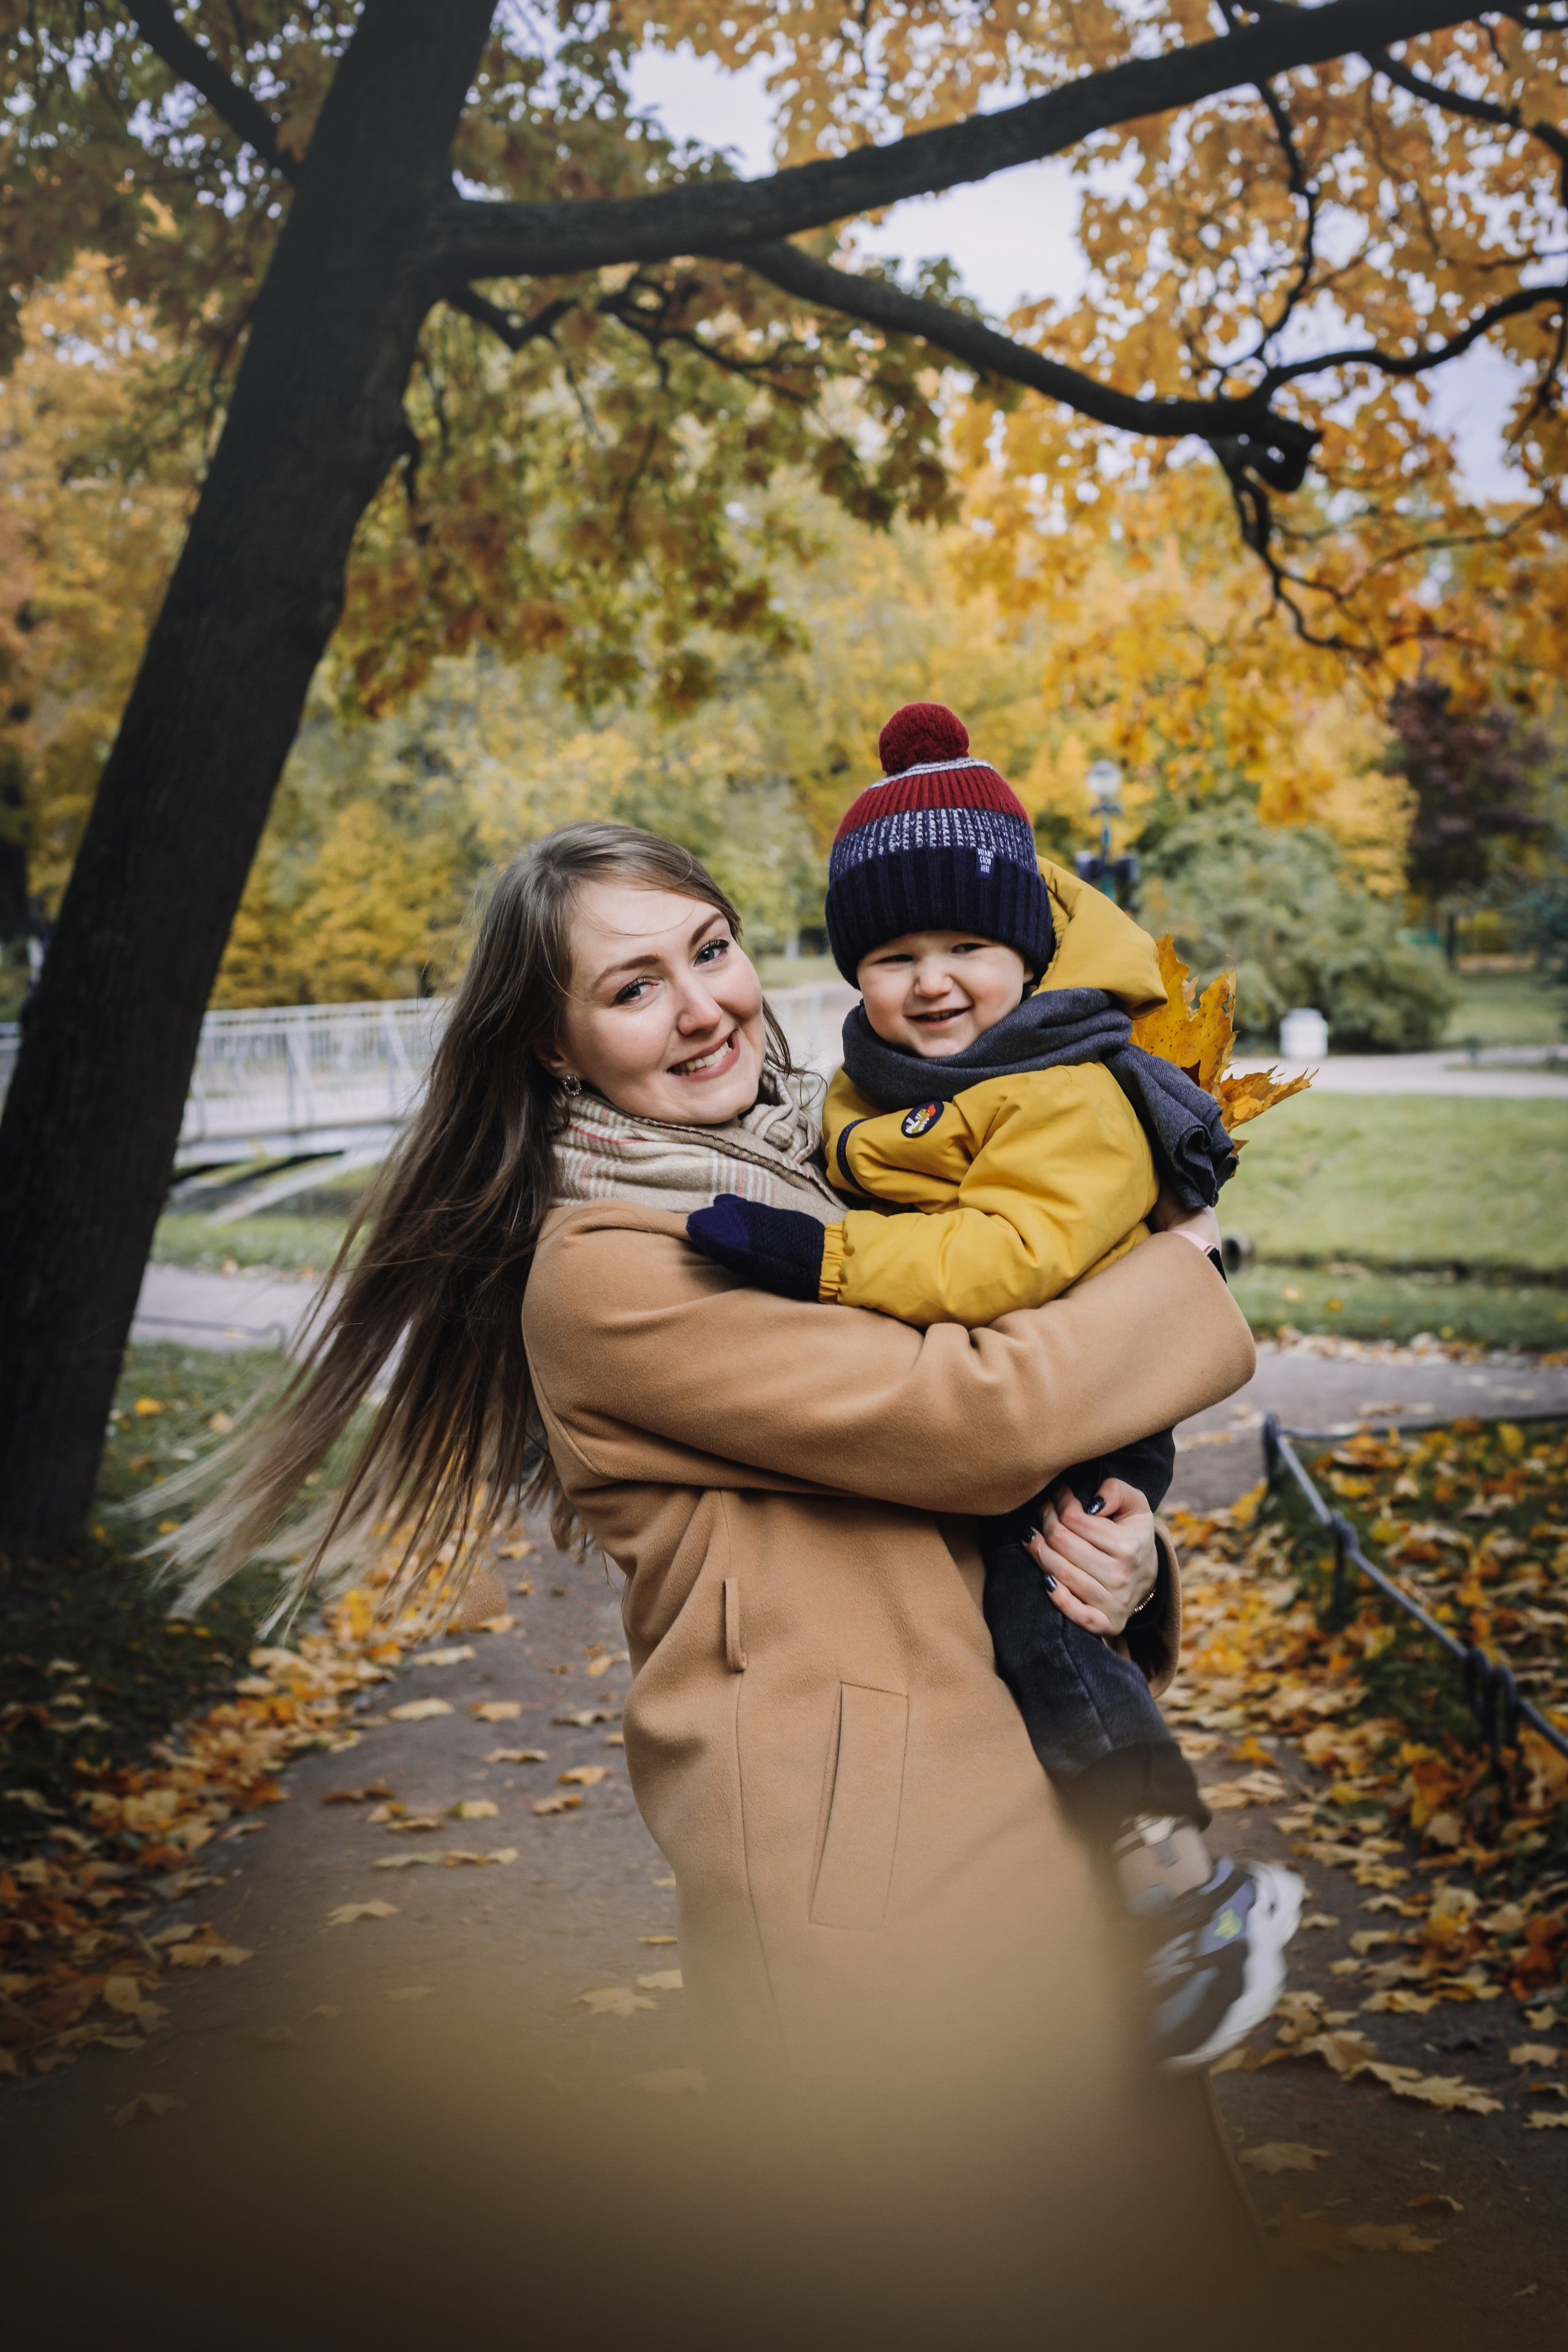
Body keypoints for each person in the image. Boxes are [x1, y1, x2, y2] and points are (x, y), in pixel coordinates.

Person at [170, 821, 1262, 2285]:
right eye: (631, 989)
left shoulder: (845, 1161)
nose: (702, 1007)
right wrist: (1172, 1271)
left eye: (711, 949)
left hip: (1018, 1782)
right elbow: (967, 1414)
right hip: (866, 1847)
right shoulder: (614, 1266)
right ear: (556, 1049)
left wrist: (1119, 1560)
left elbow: (1002, 1470)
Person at [683, 706, 1302, 2069]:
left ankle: (1184, 1890)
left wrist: (814, 1254)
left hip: (1083, 1393)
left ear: (1025, 946)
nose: (934, 980)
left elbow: (1003, 1256)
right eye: (893, 956)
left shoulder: (1059, 1084)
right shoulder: (878, 1083)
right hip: (1019, 1402)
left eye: (967, 945)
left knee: (1043, 1616)